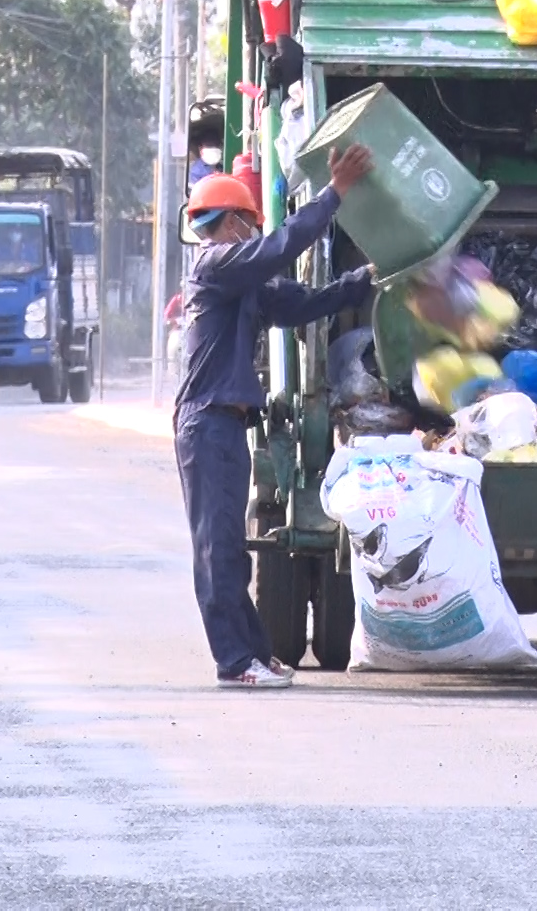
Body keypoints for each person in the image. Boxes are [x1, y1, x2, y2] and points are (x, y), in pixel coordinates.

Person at [173, 145, 376, 689]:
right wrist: (334, 193)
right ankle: (234, 663)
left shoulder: (242, 289)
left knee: (231, 550)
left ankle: (255, 653)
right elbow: (279, 248)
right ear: (233, 222)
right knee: (218, 548)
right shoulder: (215, 266)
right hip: (207, 422)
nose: (253, 235)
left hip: (221, 425)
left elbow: (306, 304)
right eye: (250, 225)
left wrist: (367, 281)